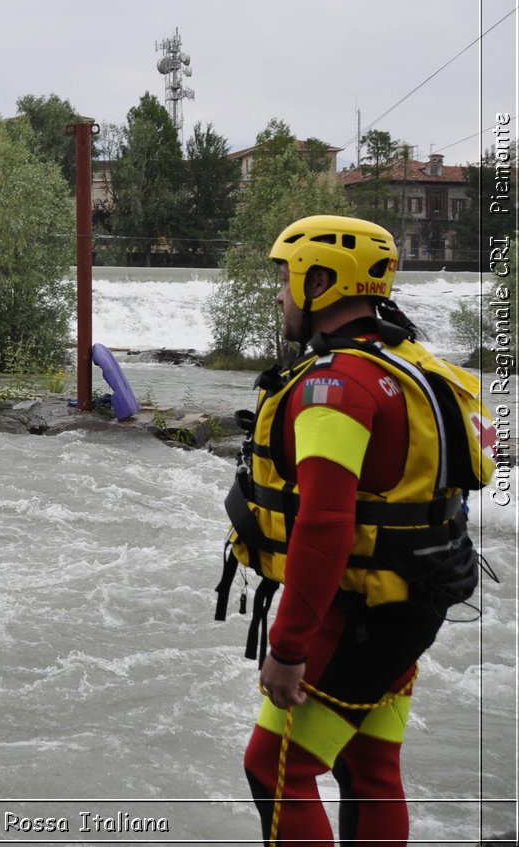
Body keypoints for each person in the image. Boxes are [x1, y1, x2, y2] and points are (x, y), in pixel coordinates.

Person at [215, 214, 493, 846]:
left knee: (275, 768)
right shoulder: (407, 364)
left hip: (359, 614)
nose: (279, 294)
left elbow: (324, 526)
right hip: (413, 603)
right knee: (368, 768)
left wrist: (287, 651)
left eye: (285, 279)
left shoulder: (333, 389)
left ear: (321, 281)